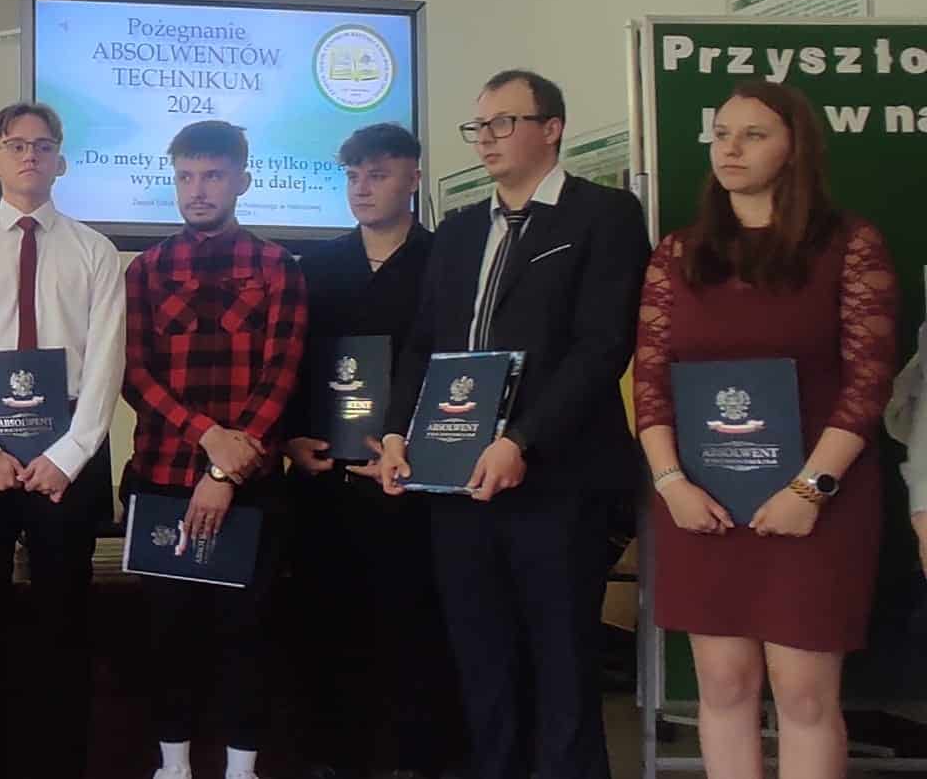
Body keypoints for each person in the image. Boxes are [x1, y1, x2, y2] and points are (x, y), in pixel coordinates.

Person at [372, 70, 650, 779]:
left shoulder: (603, 215)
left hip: (557, 477)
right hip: (455, 477)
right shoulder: (461, 229)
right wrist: (399, 432)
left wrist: (521, 439)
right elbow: (425, 343)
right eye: (479, 126)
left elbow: (601, 347)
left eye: (504, 123)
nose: (486, 139)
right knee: (481, 656)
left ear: (551, 129)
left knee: (563, 659)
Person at [633, 80, 896, 779]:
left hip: (817, 503)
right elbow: (650, 384)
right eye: (721, 134)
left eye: (753, 135)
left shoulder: (850, 244)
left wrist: (810, 490)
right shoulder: (678, 253)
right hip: (701, 501)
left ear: (795, 147)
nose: (731, 149)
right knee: (722, 687)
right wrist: (671, 484)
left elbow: (869, 382)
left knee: (805, 695)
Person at [0, 102, 125, 779]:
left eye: (43, 145)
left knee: (63, 618)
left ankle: (59, 761)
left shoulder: (96, 252)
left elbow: (105, 366)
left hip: (69, 453)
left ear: (60, 162)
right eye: (15, 145)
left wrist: (68, 457)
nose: (29, 155)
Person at [120, 121, 304, 779]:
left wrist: (225, 469)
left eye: (213, 176)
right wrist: (206, 437)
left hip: (250, 487)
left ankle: (240, 770)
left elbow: (282, 373)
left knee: (245, 636)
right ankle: (172, 767)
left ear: (242, 181)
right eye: (186, 177)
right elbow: (134, 373)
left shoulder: (278, 267)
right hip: (161, 478)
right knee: (168, 637)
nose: (197, 190)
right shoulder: (145, 269)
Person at [284, 123, 460, 778]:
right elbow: (293, 364)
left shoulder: (446, 262)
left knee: (413, 623)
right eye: (353, 175)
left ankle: (415, 758)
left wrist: (419, 448)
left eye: (378, 174)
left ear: (413, 178)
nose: (362, 188)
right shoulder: (316, 266)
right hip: (325, 475)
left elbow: (454, 364)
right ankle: (333, 757)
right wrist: (290, 437)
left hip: (412, 479)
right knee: (327, 619)